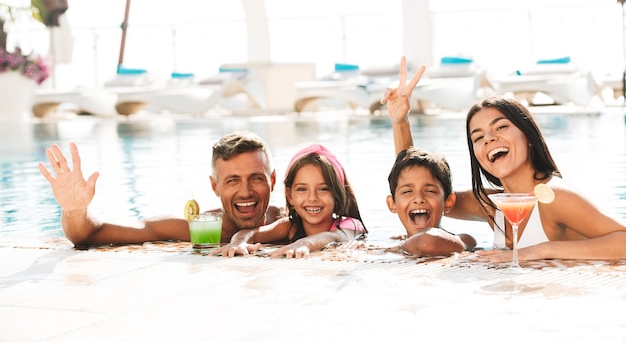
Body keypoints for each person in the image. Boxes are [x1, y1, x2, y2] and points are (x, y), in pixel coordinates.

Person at [382, 56, 626, 262]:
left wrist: (542, 251)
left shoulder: (553, 196)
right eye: (478, 137)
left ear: (528, 136)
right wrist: (400, 122)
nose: (488, 139)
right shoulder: (491, 204)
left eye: (500, 128)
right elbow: (420, 191)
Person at [38, 131, 282, 248]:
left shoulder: (291, 219)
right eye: (232, 180)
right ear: (214, 186)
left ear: (272, 180)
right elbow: (90, 235)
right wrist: (75, 210)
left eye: (256, 178)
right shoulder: (195, 228)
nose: (245, 191)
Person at [215, 143, 367, 259]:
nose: (312, 198)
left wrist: (304, 244)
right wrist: (238, 242)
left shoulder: (351, 225)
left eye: (323, 189)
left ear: (338, 196)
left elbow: (334, 237)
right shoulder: (289, 226)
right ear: (290, 196)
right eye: (302, 189)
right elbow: (251, 233)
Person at [386, 146, 476, 256]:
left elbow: (428, 241)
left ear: (448, 202)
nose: (419, 199)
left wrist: (396, 249)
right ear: (392, 204)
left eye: (430, 191)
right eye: (407, 191)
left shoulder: (464, 240)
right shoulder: (395, 241)